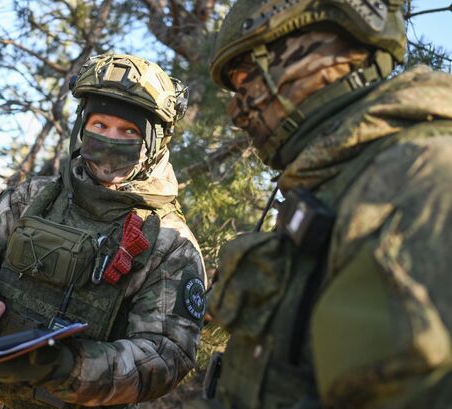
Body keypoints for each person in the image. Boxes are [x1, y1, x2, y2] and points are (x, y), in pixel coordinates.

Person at [188, 1, 452, 409]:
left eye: (247, 78)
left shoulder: (420, 176)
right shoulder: (339, 178)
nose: (236, 111)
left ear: (322, 52)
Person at [0, 53, 206, 409]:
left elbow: (168, 354)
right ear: (82, 126)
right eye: (100, 125)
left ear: (154, 145)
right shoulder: (34, 197)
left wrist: (68, 368)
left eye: (129, 131)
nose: (110, 140)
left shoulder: (169, 242)